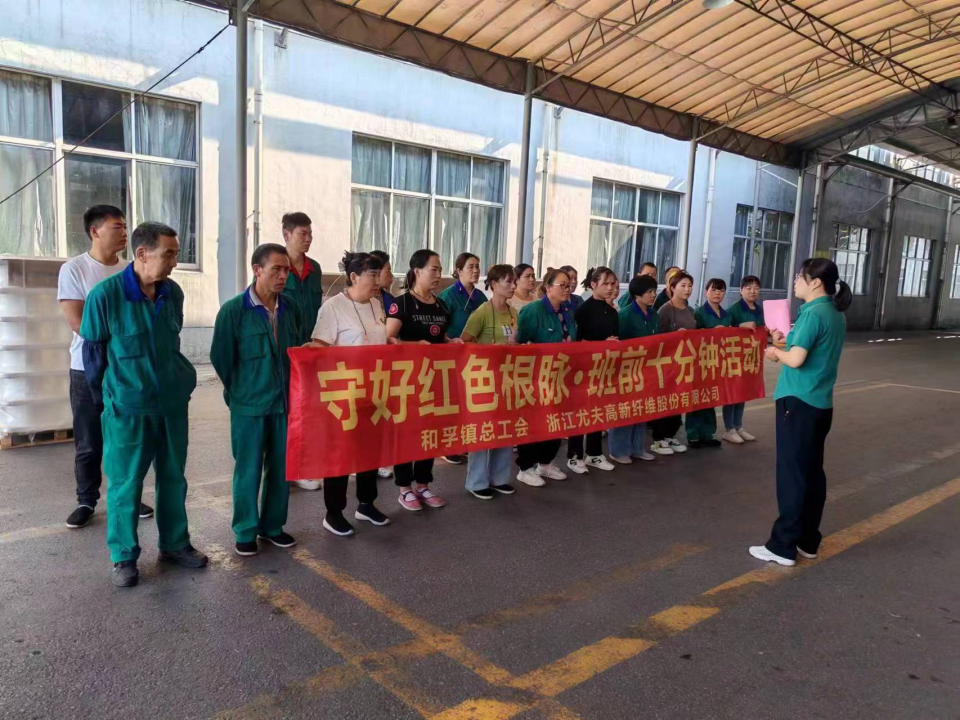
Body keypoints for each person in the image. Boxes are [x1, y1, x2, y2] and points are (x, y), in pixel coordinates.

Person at [80, 221, 206, 587]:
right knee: (126, 484)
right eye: (169, 254)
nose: (175, 262)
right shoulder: (105, 296)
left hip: (171, 405)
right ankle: (123, 556)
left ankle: (175, 544)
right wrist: (107, 403)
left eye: (176, 254)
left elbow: (171, 345)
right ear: (142, 253)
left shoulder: (173, 293)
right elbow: (93, 357)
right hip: (128, 408)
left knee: (173, 478)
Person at [57, 206, 153, 529]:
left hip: (126, 370)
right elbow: (79, 323)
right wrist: (122, 337)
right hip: (86, 369)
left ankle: (127, 494)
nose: (125, 232)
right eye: (117, 227)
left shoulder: (131, 270)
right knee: (89, 441)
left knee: (124, 436)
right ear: (95, 231)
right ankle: (86, 500)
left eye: (126, 226)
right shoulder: (75, 270)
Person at [750, 259, 851, 567]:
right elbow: (808, 349)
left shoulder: (812, 313)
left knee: (791, 474)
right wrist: (783, 342)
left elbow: (795, 360)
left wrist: (774, 352)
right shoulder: (834, 313)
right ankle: (808, 540)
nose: (795, 281)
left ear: (816, 282)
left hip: (798, 402)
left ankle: (782, 545)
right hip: (821, 404)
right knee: (811, 472)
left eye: (799, 276)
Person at [210, 244, 299, 556]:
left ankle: (272, 526)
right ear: (257, 269)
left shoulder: (289, 307)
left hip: (284, 404)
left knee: (281, 468)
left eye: (286, 270)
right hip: (248, 405)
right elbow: (221, 358)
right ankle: (245, 530)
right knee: (247, 469)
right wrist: (240, 391)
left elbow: (297, 350)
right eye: (276, 269)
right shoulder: (234, 311)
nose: (283, 275)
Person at [310, 251, 394, 535]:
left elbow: (378, 339)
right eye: (373, 275)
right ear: (354, 276)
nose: (378, 280)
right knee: (341, 454)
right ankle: (333, 513)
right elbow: (319, 349)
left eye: (379, 274)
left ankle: (366, 504)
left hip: (374, 391)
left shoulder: (376, 304)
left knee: (370, 450)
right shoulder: (333, 307)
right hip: (343, 394)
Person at [387, 249, 457, 511]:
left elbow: (442, 338)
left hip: (435, 380)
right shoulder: (402, 303)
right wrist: (415, 345)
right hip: (407, 381)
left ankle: (423, 485)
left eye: (440, 270)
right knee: (407, 433)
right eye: (433, 269)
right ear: (417, 271)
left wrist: (452, 342)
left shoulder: (441, 305)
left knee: (430, 432)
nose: (438, 275)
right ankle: (404, 488)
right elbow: (388, 340)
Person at [460, 264, 519, 499]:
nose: (513, 286)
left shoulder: (514, 313)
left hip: (507, 379)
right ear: (494, 284)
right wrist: (489, 349)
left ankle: (499, 478)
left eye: (514, 281)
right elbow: (464, 343)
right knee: (483, 431)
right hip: (483, 380)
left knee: (504, 429)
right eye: (508, 281)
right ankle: (476, 482)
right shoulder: (481, 312)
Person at [514, 268, 576, 486]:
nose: (567, 289)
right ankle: (525, 468)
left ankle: (546, 463)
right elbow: (521, 344)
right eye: (562, 285)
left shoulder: (567, 310)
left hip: (560, 375)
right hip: (536, 377)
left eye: (569, 285)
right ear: (548, 287)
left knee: (555, 421)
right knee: (534, 422)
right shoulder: (533, 311)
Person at [280, 211, 324, 491]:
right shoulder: (276, 264)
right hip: (285, 347)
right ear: (287, 234)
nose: (308, 239)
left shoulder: (314, 268)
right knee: (286, 408)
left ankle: (301, 464)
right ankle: (288, 466)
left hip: (310, 347)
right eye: (302, 234)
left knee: (307, 407)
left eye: (310, 234)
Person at [567, 267, 619, 474]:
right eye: (605, 283)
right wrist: (602, 344)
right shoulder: (583, 310)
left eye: (613, 284)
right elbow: (577, 342)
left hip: (603, 369)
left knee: (599, 410)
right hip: (582, 369)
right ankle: (574, 456)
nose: (610, 288)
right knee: (580, 412)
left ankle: (594, 453)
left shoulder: (612, 312)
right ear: (593, 284)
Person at [437, 252, 485, 466]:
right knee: (451, 402)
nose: (475, 271)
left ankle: (463, 440)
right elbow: (441, 326)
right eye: (470, 267)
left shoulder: (480, 296)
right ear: (458, 270)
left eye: (477, 267)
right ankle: (447, 445)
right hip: (452, 355)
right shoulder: (448, 296)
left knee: (468, 401)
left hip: (473, 357)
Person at [608, 274, 659, 464]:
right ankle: (618, 450)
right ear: (637, 294)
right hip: (627, 370)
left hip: (647, 369)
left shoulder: (654, 314)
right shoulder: (626, 315)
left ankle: (638, 448)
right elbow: (619, 344)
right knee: (625, 410)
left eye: (654, 291)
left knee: (642, 409)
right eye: (649, 292)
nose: (653, 295)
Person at [649, 271, 695, 456]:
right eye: (683, 285)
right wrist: (674, 336)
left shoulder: (691, 310)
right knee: (665, 401)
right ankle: (658, 439)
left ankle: (670, 436)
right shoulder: (665, 310)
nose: (687, 289)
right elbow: (657, 338)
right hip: (667, 364)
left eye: (690, 286)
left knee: (678, 400)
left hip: (684, 363)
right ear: (672, 287)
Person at [685, 278, 730, 449]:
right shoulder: (698, 313)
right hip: (700, 361)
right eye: (714, 290)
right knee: (697, 396)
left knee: (711, 396)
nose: (717, 293)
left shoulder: (727, 315)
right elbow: (693, 337)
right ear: (706, 292)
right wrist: (711, 332)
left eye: (721, 290)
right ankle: (693, 434)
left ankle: (707, 433)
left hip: (717, 361)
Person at [723, 275, 765, 444]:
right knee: (733, 391)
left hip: (751, 357)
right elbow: (725, 332)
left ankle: (738, 426)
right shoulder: (733, 310)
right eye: (748, 288)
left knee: (743, 391)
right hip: (734, 357)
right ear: (741, 290)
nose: (752, 291)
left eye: (756, 288)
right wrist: (739, 326)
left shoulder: (760, 310)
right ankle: (729, 429)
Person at [370, 249, 396, 480]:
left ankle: (382, 458)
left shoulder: (389, 300)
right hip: (365, 369)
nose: (392, 275)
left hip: (387, 366)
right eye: (388, 270)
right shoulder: (353, 301)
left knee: (384, 412)